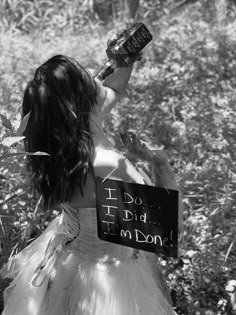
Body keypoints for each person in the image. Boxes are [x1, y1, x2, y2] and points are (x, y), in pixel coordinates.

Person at [0, 48, 182, 314]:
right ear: (82, 104)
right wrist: (160, 164)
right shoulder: (107, 166)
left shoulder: (68, 141)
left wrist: (126, 60)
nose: (98, 74)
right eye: (89, 77)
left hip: (69, 261)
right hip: (108, 283)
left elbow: (115, 90)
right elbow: (167, 230)